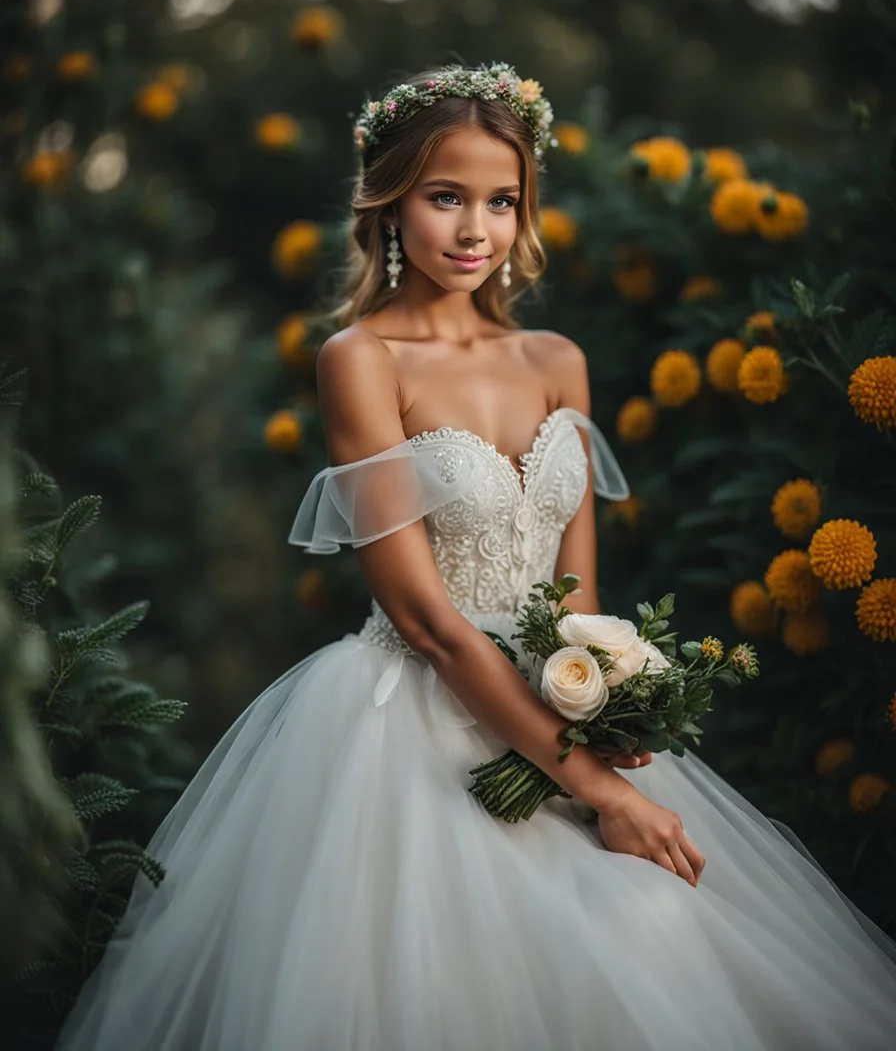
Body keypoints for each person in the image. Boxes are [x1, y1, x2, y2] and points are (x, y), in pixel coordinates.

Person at [56, 62, 896, 1051]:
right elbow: (421, 617)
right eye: (443, 196)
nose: (472, 230)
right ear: (387, 204)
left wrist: (601, 698)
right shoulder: (360, 361)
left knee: (650, 944)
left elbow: (575, 586)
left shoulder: (555, 361)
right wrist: (596, 785)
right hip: (411, 713)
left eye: (500, 201)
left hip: (557, 690)